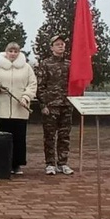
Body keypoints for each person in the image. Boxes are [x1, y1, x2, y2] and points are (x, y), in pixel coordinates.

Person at [0, 42, 37, 175]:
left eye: (15, 51)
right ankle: (5, 163)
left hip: (20, 107)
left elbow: (32, 84)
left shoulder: (26, 68)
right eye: (10, 51)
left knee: (19, 137)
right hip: (3, 108)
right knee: (5, 136)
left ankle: (17, 164)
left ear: (19, 53)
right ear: (6, 52)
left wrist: (26, 97)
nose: (13, 54)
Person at [36, 34, 73, 176]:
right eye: (57, 44)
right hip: (51, 106)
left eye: (62, 44)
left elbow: (76, 83)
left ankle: (63, 163)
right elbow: (40, 86)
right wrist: (43, 105)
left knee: (64, 136)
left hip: (66, 105)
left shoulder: (70, 64)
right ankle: (50, 163)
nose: (61, 46)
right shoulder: (45, 64)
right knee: (49, 136)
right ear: (51, 48)